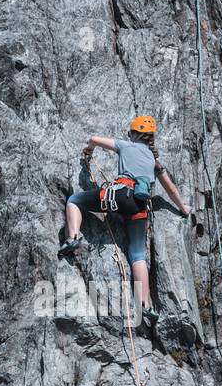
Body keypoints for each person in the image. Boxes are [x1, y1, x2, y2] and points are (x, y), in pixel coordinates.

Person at [59, 115, 191, 325]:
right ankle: (146, 304)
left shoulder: (125, 145)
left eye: (131, 133)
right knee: (138, 255)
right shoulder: (155, 162)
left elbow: (93, 138)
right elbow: (170, 188)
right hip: (139, 206)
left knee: (75, 200)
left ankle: (72, 237)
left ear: (134, 134)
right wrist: (184, 208)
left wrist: (89, 151)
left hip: (119, 194)